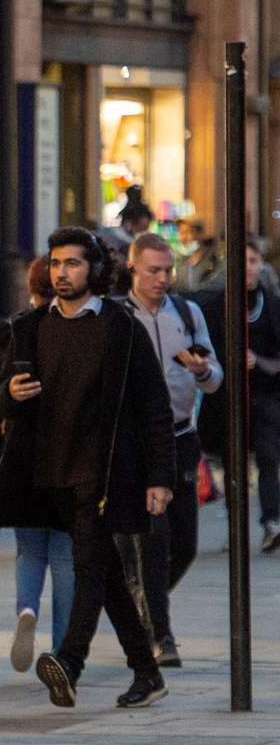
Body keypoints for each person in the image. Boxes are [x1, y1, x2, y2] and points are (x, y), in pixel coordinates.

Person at [0, 227, 175, 711]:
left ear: (95, 269)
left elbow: (153, 405)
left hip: (104, 472)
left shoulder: (120, 327)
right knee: (106, 570)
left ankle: (70, 662)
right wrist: (10, 396)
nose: (62, 272)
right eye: (56, 263)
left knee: (87, 565)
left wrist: (160, 476)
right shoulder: (30, 327)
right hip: (48, 469)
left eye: (73, 263)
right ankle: (147, 672)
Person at [121, 234, 220, 667]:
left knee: (185, 544)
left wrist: (202, 370)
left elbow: (215, 377)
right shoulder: (119, 316)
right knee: (153, 539)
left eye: (168, 270)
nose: (162, 279)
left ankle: (140, 599)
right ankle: (161, 635)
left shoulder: (187, 312)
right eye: (153, 271)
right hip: (137, 442)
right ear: (133, 269)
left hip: (181, 435)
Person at [0, 256, 75, 671]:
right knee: (66, 555)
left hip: (20, 455)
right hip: (68, 457)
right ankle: (63, 649)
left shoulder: (11, 333)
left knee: (30, 551)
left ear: (32, 291)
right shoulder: (75, 331)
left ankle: (26, 609)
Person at [201, 241, 280, 552]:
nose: (247, 266)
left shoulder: (271, 305)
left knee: (268, 457)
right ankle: (236, 528)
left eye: (253, 260)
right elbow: (205, 350)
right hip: (227, 397)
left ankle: (272, 522)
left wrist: (258, 361)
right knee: (233, 462)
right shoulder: (214, 307)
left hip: (265, 394)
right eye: (241, 259)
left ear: (261, 263)